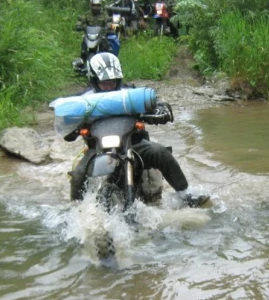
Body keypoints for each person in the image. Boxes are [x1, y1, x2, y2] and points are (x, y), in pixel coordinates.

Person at [65, 53, 209, 208]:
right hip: (97, 148)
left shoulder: (130, 94)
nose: (109, 86)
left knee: (160, 153)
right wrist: (71, 128)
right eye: (104, 83)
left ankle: (185, 194)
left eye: (112, 82)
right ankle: (76, 208)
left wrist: (160, 110)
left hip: (133, 144)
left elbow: (152, 102)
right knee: (79, 173)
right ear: (94, 80)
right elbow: (66, 121)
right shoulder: (82, 100)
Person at [75, 0, 113, 64]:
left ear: (100, 6)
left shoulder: (104, 15)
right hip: (89, 35)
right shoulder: (87, 14)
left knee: (108, 48)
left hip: (101, 35)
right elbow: (81, 20)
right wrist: (78, 25)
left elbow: (109, 21)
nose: (96, 8)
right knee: (84, 43)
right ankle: (82, 61)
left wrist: (108, 26)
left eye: (97, 6)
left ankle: (109, 61)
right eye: (94, 6)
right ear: (91, 6)